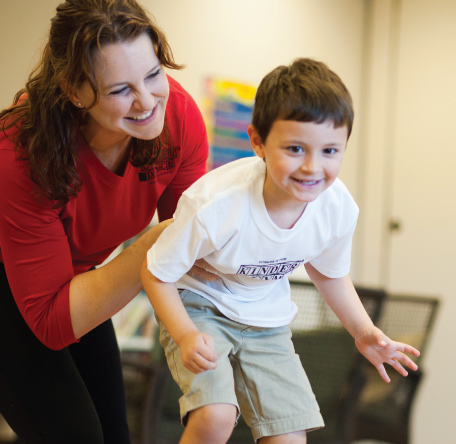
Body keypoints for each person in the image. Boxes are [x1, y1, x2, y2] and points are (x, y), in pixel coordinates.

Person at [141, 58, 421, 444]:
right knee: (215, 415)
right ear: (258, 141)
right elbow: (155, 272)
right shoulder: (215, 204)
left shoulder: (337, 208)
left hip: (265, 319)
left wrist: (363, 331)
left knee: (289, 434)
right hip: (201, 304)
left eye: (330, 151)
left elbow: (329, 273)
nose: (312, 167)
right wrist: (185, 334)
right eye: (295, 148)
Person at [0, 1, 209, 443]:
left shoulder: (178, 117)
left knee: (114, 434)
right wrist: (153, 243)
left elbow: (190, 256)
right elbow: (51, 321)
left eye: (153, 74)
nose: (148, 101)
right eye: (120, 90)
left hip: (73, 279)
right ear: (74, 91)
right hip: (9, 285)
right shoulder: (19, 151)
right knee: (76, 435)